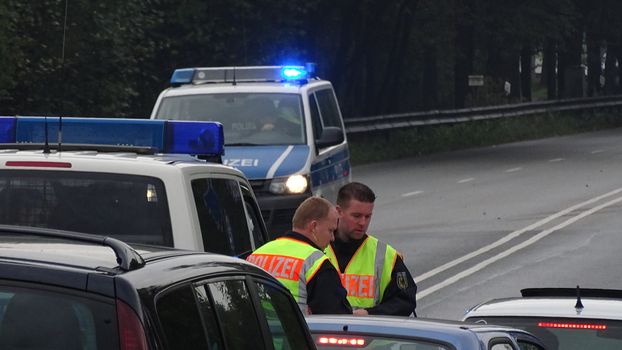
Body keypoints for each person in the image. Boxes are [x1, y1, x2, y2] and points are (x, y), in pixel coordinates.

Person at [247, 196, 352, 315]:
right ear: (314, 227)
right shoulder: (317, 264)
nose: (332, 238)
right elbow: (336, 318)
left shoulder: (256, 255)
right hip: (294, 332)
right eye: (330, 230)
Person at [326, 182, 417, 316]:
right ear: (339, 211)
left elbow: (405, 301)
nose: (363, 222)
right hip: (322, 333)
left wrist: (370, 313)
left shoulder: (386, 255)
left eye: (367, 216)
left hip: (369, 333)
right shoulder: (317, 249)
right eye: (356, 216)